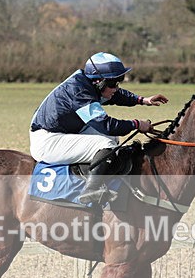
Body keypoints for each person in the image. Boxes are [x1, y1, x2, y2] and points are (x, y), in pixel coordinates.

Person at [30, 52, 168, 204]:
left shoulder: (89, 83)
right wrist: (136, 124)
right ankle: (91, 190)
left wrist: (143, 100)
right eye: (113, 82)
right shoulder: (79, 91)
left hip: (64, 131)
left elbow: (115, 95)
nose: (116, 87)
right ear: (98, 81)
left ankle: (97, 177)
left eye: (118, 81)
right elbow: (107, 125)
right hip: (47, 141)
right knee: (105, 144)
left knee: (111, 139)